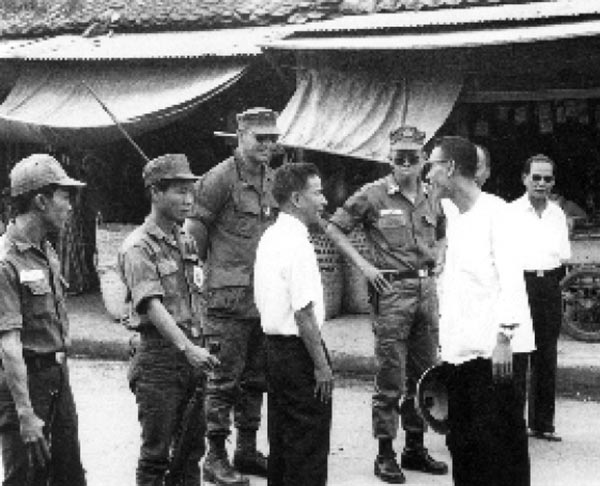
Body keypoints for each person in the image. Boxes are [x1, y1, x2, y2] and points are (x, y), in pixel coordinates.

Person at [327, 126, 447, 484]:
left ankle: (414, 447)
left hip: (426, 290)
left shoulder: (432, 194)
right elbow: (334, 228)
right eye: (400, 157)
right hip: (392, 292)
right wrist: (364, 266)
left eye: (414, 156)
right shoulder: (373, 195)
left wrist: (440, 256)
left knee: (425, 374)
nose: (407, 163)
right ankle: (384, 453)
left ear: (424, 159)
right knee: (390, 375)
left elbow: (441, 231)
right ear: (389, 159)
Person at [427, 136, 534, 486]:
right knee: (465, 447)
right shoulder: (455, 216)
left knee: (500, 450)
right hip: (460, 356)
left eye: (433, 165)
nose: (428, 174)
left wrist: (504, 337)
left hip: (494, 355)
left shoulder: (497, 213)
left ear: (451, 168)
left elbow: (512, 281)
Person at [184, 107, 280, 485]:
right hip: (226, 301)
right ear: (241, 134)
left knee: (256, 379)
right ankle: (215, 456)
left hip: (264, 300)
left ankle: (246, 448)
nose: (268, 145)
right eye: (261, 138)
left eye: (273, 138)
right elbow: (194, 240)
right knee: (222, 381)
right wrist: (198, 293)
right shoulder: (218, 179)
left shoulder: (273, 180)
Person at [118, 154, 219, 485]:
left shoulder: (185, 240)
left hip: (191, 356)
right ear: (155, 193)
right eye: (179, 191)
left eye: (191, 191)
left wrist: (200, 343)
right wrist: (187, 347)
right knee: (156, 456)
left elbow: (196, 294)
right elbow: (152, 306)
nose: (188, 200)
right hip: (159, 359)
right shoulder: (138, 247)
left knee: (191, 450)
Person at [0, 153, 87, 486]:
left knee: (68, 476)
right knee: (26, 477)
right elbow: (9, 346)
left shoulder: (46, 250)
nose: (70, 206)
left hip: (56, 379)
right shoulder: (6, 263)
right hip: (26, 386)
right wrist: (25, 413)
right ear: (40, 200)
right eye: (65, 197)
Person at [254, 162, 333, 486]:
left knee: (282, 443)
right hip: (298, 352)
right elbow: (304, 315)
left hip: (274, 352)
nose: (324, 200)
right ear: (297, 199)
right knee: (308, 448)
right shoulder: (297, 243)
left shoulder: (271, 235)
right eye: (318, 193)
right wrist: (322, 366)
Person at [509, 154, 571, 442]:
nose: (542, 183)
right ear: (524, 179)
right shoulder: (510, 213)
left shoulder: (558, 214)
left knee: (546, 356)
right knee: (518, 357)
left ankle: (543, 424)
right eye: (536, 177)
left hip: (549, 286)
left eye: (547, 178)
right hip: (520, 285)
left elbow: (562, 257)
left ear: (554, 182)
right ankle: (513, 424)